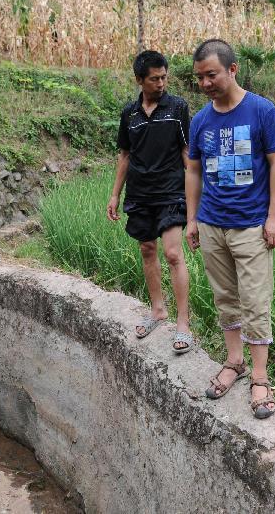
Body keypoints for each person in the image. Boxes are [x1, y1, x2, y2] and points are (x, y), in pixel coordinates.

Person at [185, 39, 275, 419]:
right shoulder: (200, 121)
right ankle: (234, 361)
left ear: (232, 69)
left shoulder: (261, 111)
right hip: (212, 224)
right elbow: (193, 170)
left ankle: (260, 377)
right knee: (225, 297)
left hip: (250, 226)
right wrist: (193, 218)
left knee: (255, 301)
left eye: (211, 74)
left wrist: (274, 217)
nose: (206, 83)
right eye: (199, 77)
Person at [107, 50, 194, 354]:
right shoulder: (129, 113)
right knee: (147, 250)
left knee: (172, 253)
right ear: (139, 80)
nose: (161, 83)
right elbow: (125, 155)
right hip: (140, 193)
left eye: (164, 77)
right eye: (155, 78)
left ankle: (183, 323)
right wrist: (116, 193)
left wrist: (198, 193)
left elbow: (187, 152)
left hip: (171, 191)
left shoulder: (177, 107)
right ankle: (158, 310)